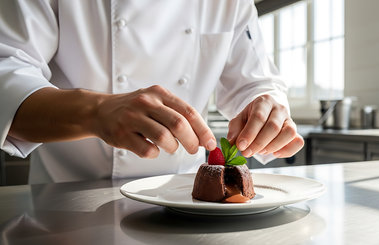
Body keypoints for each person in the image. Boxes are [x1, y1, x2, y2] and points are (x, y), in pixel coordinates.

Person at [0, 0, 304, 184]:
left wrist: (267, 108)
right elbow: (7, 79)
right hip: (69, 203)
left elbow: (254, 82)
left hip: (187, 201)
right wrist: (95, 111)